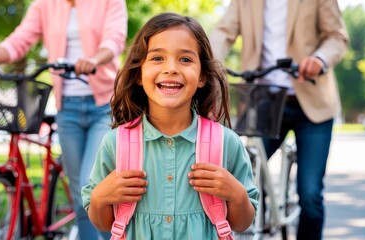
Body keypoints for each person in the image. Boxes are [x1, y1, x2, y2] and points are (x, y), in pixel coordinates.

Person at [0, 0, 127, 239]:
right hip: (66, 108)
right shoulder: (45, 5)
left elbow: (115, 39)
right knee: (81, 195)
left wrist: (95, 59)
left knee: (91, 185)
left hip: (102, 106)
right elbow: (20, 40)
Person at [81, 12, 259, 239]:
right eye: (157, 58)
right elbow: (104, 224)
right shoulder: (116, 143)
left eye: (185, 59)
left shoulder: (226, 142)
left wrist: (237, 195)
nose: (171, 68)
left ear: (202, 76)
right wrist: (100, 198)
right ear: (138, 73)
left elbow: (242, 223)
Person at [210, 0, 349, 239]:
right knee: (245, 179)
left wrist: (319, 59)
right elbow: (224, 31)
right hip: (263, 100)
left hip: (311, 102)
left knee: (310, 195)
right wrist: (206, 61)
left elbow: (336, 36)